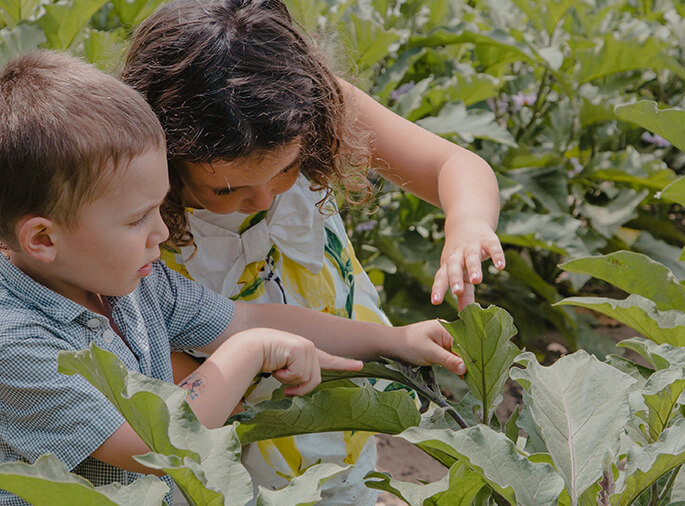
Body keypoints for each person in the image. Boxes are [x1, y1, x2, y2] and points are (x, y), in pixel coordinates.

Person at [0, 51, 467, 506]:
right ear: (42, 238)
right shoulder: (12, 344)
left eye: (159, 207)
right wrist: (249, 353)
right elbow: (154, 446)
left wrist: (393, 340)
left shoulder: (115, 274)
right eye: (136, 219)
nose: (161, 231)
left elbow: (246, 316)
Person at [120, 0, 505, 502]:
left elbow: (451, 165)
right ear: (165, 158)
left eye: (286, 170)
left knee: (347, 480)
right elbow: (131, 340)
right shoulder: (132, 203)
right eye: (226, 191)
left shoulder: (310, 104)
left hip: (340, 389)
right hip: (228, 438)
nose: (261, 199)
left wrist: (469, 224)